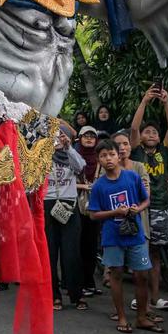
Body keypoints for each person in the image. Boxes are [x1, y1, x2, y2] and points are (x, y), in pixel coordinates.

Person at [89, 138, 159, 333]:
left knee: (142, 275)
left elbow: (146, 200)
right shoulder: (98, 186)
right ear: (99, 160)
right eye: (103, 156)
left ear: (118, 156)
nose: (108, 159)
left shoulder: (132, 177)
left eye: (111, 154)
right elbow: (93, 214)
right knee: (116, 275)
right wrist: (115, 212)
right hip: (112, 237)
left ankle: (141, 317)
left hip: (136, 234)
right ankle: (121, 317)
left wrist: (138, 209)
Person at [128, 84, 168, 312]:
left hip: (159, 207)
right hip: (140, 208)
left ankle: (155, 298)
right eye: (147, 132)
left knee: (156, 254)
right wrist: (145, 101)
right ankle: (140, 298)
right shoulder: (136, 151)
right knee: (140, 253)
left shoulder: (164, 151)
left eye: (154, 132)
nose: (150, 134)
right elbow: (134, 127)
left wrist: (166, 103)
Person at [46, 124, 86, 311]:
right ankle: (54, 295)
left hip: (69, 204)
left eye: (62, 136)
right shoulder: (42, 155)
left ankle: (76, 294)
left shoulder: (71, 155)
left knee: (71, 252)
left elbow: (81, 167)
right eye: (55, 136)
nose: (59, 139)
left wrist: (69, 148)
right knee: (50, 253)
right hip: (47, 204)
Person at [74, 126, 101, 297]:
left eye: (92, 136)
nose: (89, 139)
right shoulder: (74, 156)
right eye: (86, 136)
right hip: (76, 205)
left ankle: (89, 282)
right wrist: (83, 186)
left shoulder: (101, 158)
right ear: (80, 139)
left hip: (96, 205)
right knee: (77, 245)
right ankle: (76, 283)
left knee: (91, 245)